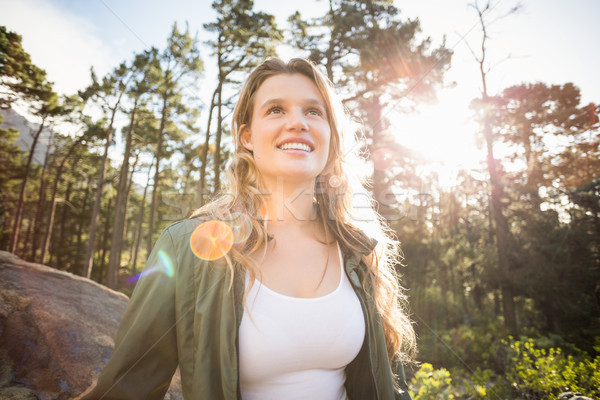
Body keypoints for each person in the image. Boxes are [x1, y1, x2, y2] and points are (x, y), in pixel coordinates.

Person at [82, 57, 416, 400]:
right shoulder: (187, 246)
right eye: (275, 110)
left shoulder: (358, 251)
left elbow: (389, 385)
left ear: (330, 136)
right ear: (247, 137)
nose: (297, 123)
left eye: (314, 112)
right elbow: (126, 389)